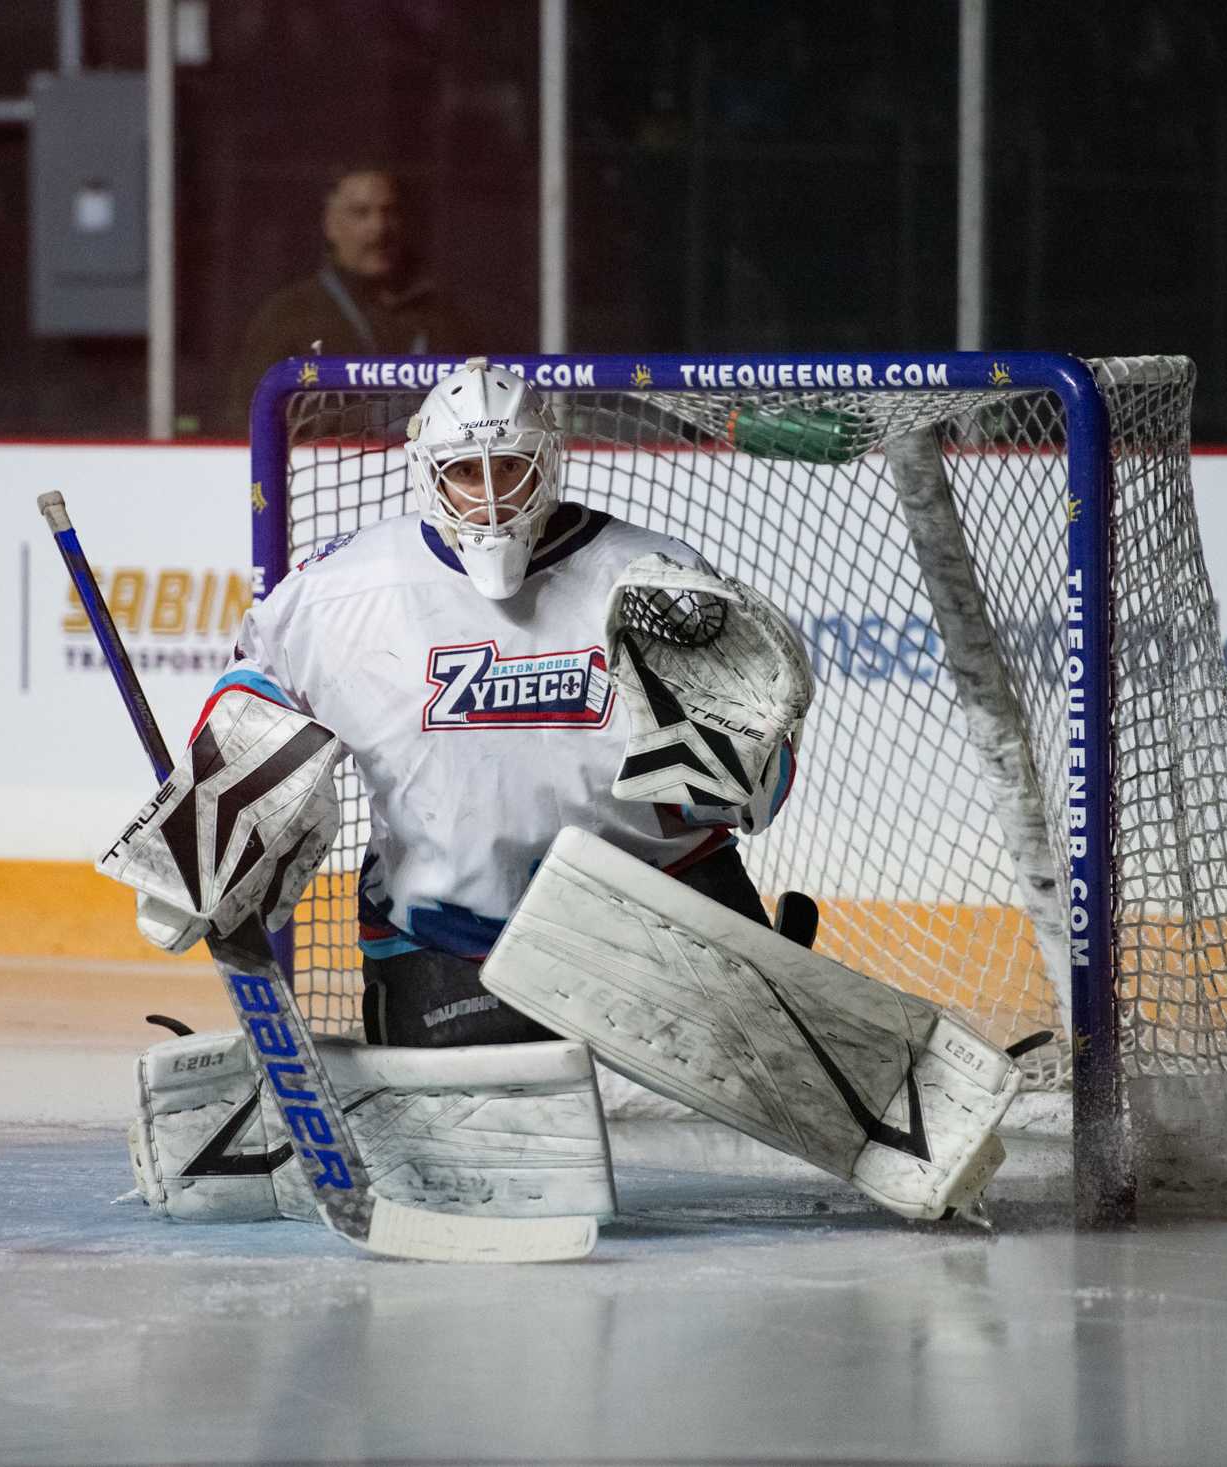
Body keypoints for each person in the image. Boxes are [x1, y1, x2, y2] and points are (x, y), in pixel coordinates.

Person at [102, 359, 1018, 1230]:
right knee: (469, 1172)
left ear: (551, 463)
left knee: (841, 1103)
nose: (492, 493)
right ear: (430, 475)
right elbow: (259, 692)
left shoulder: (654, 576)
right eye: (467, 471)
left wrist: (744, 763)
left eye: (512, 465)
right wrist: (213, 831)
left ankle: (908, 1122)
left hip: (659, 910)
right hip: (446, 930)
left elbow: (755, 791)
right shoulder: (344, 591)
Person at [225, 168, 472, 423]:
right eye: (361, 213)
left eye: (390, 212)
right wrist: (372, 421)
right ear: (330, 224)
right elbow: (247, 419)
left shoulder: (441, 316)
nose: (379, 228)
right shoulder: (288, 316)